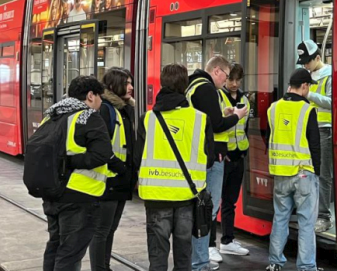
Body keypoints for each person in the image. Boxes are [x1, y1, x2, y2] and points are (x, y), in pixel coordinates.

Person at [135, 64, 214, 271]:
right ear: (185, 86)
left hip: (155, 198)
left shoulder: (147, 119)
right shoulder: (200, 119)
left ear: (162, 83)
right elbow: (210, 159)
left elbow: (137, 158)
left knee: (158, 256)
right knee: (183, 255)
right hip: (187, 198)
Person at [39, 75, 120, 271]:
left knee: (55, 245)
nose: (101, 102)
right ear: (91, 95)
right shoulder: (88, 116)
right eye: (100, 97)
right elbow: (103, 154)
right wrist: (69, 163)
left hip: (51, 193)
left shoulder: (51, 115)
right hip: (78, 196)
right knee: (70, 252)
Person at [186, 56, 247, 269]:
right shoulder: (206, 89)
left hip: (199, 155)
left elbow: (208, 119)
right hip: (211, 157)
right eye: (227, 76)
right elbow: (218, 126)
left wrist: (224, 114)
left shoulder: (193, 86)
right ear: (217, 71)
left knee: (203, 210)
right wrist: (237, 116)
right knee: (207, 211)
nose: (227, 81)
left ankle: (199, 259)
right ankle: (200, 261)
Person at [266, 68, 321, 271]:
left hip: (280, 174)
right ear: (304, 86)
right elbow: (315, 145)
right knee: (306, 222)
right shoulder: (307, 110)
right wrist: (318, 172)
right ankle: (306, 267)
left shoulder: (273, 108)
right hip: (304, 173)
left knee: (280, 217)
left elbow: (268, 138)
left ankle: (275, 262)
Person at [90, 68, 137, 271]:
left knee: (110, 229)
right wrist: (120, 168)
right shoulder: (106, 109)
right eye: (126, 83)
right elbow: (100, 146)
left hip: (120, 179)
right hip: (107, 179)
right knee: (101, 230)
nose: (131, 87)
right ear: (113, 86)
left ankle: (104, 266)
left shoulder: (125, 110)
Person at [210, 64, 251, 256]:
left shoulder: (245, 99)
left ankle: (227, 241)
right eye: (230, 80)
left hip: (238, 155)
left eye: (237, 80)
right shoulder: (218, 97)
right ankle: (210, 246)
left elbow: (245, 128)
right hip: (222, 156)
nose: (234, 84)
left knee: (230, 201)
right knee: (213, 202)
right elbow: (215, 125)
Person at [297, 40, 333, 233]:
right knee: (308, 173)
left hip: (325, 130)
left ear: (318, 57)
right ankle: (312, 212)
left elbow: (332, 101)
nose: (305, 65)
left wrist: (309, 95)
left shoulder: (330, 75)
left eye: (307, 61)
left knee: (323, 175)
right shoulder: (307, 75)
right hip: (308, 129)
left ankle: (324, 216)